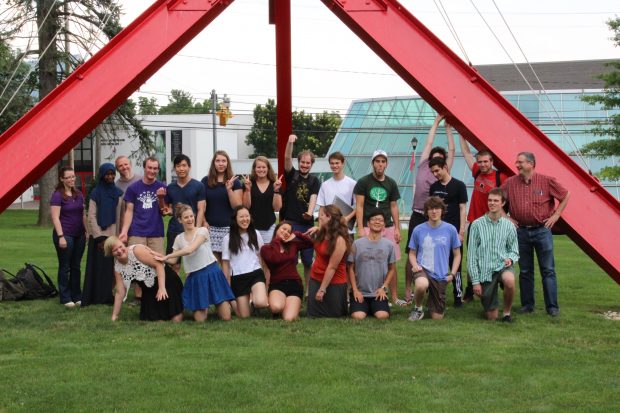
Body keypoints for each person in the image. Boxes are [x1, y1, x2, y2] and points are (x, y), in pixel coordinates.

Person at [501, 152, 570, 317]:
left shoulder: (546, 181)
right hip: (521, 232)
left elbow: (566, 194)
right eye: (517, 162)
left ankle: (552, 307)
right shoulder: (510, 183)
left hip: (542, 231)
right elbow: (496, 198)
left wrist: (556, 215)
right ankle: (527, 305)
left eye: (520, 162)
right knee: (525, 270)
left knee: (548, 270)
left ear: (531, 164)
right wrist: (506, 217)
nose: (517, 165)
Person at [405, 114, 455, 303]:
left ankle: (434, 287)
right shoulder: (423, 165)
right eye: (434, 159)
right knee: (412, 252)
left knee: (436, 252)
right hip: (418, 214)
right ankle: (408, 288)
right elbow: (429, 142)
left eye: (441, 161)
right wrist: (436, 122)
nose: (436, 163)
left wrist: (449, 130)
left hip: (433, 217)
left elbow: (452, 149)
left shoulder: (443, 171)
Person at [156, 204, 234, 322]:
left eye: (191, 216)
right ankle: (205, 305)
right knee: (199, 319)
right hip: (195, 277)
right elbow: (173, 261)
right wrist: (161, 258)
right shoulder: (179, 238)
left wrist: (168, 255)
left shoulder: (202, 231)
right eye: (186, 217)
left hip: (212, 272)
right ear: (180, 220)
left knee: (226, 317)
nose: (190, 219)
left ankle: (227, 303)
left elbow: (190, 249)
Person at [459, 139, 507, 301]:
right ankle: (470, 288)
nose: (483, 164)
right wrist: (461, 135)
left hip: (492, 224)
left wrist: (508, 218)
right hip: (474, 222)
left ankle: (496, 282)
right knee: (472, 256)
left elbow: (507, 199)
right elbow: (466, 153)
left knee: (493, 255)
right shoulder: (477, 172)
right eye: (480, 162)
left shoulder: (501, 177)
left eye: (486, 162)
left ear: (492, 162)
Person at [353, 149, 403, 306]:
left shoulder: (391, 183)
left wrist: (397, 228)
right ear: (373, 163)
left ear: (386, 164)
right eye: (377, 161)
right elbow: (359, 206)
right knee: (365, 260)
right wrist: (361, 228)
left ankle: (394, 297)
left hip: (387, 226)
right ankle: (363, 292)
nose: (380, 164)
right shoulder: (363, 182)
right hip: (369, 225)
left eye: (383, 161)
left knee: (391, 262)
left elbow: (394, 206)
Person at [467, 188, 519, 322]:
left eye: (496, 201)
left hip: (502, 266)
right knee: (492, 318)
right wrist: (475, 282)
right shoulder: (476, 225)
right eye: (490, 200)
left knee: (509, 280)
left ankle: (507, 313)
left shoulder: (509, 226)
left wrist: (510, 259)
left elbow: (514, 251)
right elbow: (471, 256)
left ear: (503, 203)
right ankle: (489, 305)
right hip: (485, 271)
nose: (492, 203)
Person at [407, 197, 462, 321]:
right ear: (426, 211)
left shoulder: (450, 229)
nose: (434, 211)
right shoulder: (418, 229)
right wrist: (415, 265)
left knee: (437, 317)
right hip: (422, 269)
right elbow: (412, 253)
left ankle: (432, 303)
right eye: (430, 209)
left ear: (442, 210)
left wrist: (452, 274)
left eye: (437, 208)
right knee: (421, 285)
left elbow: (457, 255)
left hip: (440, 275)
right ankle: (418, 308)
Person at [104, 236, 183, 322]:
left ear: (123, 244)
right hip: (149, 291)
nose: (119, 251)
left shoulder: (136, 251)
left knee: (176, 320)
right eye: (115, 250)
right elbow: (120, 292)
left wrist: (162, 288)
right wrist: (114, 315)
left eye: (120, 246)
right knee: (156, 321)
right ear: (111, 254)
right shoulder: (118, 268)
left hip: (166, 282)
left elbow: (159, 265)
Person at [282, 134, 320, 290]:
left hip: (307, 226)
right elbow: (287, 157)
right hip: (291, 224)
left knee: (308, 261)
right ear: (299, 162)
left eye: (308, 163)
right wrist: (290, 142)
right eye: (302, 162)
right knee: (290, 259)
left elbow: (313, 197)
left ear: (311, 164)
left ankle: (308, 291)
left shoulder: (314, 180)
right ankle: (292, 288)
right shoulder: (292, 174)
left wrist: (310, 213)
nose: (304, 165)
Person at [429, 156, 468, 307]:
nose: (435, 174)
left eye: (437, 171)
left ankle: (458, 294)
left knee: (455, 264)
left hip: (454, 231)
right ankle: (435, 292)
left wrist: (461, 231)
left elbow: (462, 208)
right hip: (437, 231)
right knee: (436, 263)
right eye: (433, 172)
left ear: (445, 167)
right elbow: (431, 209)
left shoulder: (459, 185)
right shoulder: (434, 187)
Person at [83, 163, 122, 306]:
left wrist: (117, 236)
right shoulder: (96, 192)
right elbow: (91, 216)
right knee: (97, 267)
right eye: (107, 174)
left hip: (113, 236)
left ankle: (107, 296)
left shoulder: (118, 193)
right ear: (102, 175)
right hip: (98, 236)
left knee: (109, 268)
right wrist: (99, 237)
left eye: (112, 174)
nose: (110, 177)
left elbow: (119, 215)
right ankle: (94, 296)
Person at [260, 221, 314, 321]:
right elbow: (275, 259)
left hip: (294, 284)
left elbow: (311, 243)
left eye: (289, 231)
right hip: (277, 284)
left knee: (289, 318)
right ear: (276, 229)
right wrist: (278, 240)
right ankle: (280, 305)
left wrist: (297, 234)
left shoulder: (293, 245)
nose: (286, 232)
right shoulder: (266, 248)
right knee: (276, 307)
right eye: (283, 229)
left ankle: (290, 306)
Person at [221, 206, 269, 318]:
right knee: (244, 316)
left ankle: (254, 301)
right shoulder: (227, 238)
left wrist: (266, 275)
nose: (245, 219)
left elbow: (261, 256)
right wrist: (226, 286)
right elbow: (225, 264)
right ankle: (234, 301)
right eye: (241, 216)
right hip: (238, 278)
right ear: (235, 219)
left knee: (261, 303)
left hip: (255, 273)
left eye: (247, 216)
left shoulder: (256, 233)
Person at [348, 210, 396, 320]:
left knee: (382, 316)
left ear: (384, 225)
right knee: (358, 316)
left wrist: (384, 287)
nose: (377, 222)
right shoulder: (357, 244)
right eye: (374, 219)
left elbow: (392, 269)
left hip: (378, 292)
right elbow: (350, 268)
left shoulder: (389, 245)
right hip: (360, 292)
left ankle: (374, 307)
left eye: (380, 220)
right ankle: (362, 307)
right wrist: (355, 290)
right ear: (368, 223)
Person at [50, 166, 87, 308]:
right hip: (65, 235)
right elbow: (55, 218)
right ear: (62, 179)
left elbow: (83, 215)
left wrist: (87, 232)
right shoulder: (57, 195)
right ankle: (65, 297)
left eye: (73, 176)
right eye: (68, 177)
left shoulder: (79, 194)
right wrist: (61, 236)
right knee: (65, 266)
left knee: (76, 266)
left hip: (79, 235)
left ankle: (77, 295)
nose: (72, 179)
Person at [307, 205, 351, 318]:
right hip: (315, 277)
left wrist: (322, 289)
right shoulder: (322, 232)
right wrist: (317, 229)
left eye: (321, 215)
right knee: (312, 314)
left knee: (333, 314)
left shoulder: (340, 240)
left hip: (334, 281)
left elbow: (332, 267)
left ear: (329, 217)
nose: (319, 217)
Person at [119, 156, 166, 255]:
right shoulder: (133, 188)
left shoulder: (162, 188)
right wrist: (124, 231)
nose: (152, 171)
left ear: (158, 170)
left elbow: (164, 212)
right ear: (144, 168)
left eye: (155, 168)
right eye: (149, 167)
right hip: (136, 232)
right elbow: (129, 211)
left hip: (156, 232)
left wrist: (161, 198)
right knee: (136, 262)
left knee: (157, 261)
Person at [201, 150, 243, 262]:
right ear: (213, 163)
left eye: (224, 161)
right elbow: (200, 206)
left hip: (229, 228)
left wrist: (229, 189)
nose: (221, 164)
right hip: (211, 228)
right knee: (213, 262)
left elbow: (237, 206)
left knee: (228, 262)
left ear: (227, 163)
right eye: (218, 161)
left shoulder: (235, 181)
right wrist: (204, 221)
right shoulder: (205, 181)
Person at [162, 154, 206, 256]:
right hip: (174, 229)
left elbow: (201, 209)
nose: (181, 169)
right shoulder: (170, 187)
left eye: (184, 165)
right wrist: (168, 210)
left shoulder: (199, 186)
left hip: (192, 228)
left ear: (189, 167)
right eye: (178, 166)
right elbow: (169, 208)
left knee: (194, 260)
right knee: (173, 261)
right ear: (174, 168)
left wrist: (197, 229)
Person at [242, 156, 283, 244]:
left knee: (267, 252)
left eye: (264, 167)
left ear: (268, 168)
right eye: (258, 167)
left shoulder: (275, 184)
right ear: (254, 169)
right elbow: (246, 206)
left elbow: (277, 208)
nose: (261, 170)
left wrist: (276, 190)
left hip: (269, 227)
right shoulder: (249, 184)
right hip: (251, 227)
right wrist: (248, 190)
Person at [316, 151, 357, 235]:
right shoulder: (325, 185)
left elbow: (358, 206)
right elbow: (322, 208)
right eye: (332, 163)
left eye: (337, 163)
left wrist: (347, 218)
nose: (334, 166)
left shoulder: (352, 184)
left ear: (343, 164)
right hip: (329, 229)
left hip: (346, 229)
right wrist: (320, 227)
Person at [114, 155, 142, 233]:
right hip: (126, 225)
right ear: (117, 169)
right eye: (120, 166)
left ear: (130, 165)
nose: (124, 167)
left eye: (126, 164)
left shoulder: (141, 180)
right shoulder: (116, 186)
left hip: (141, 223)